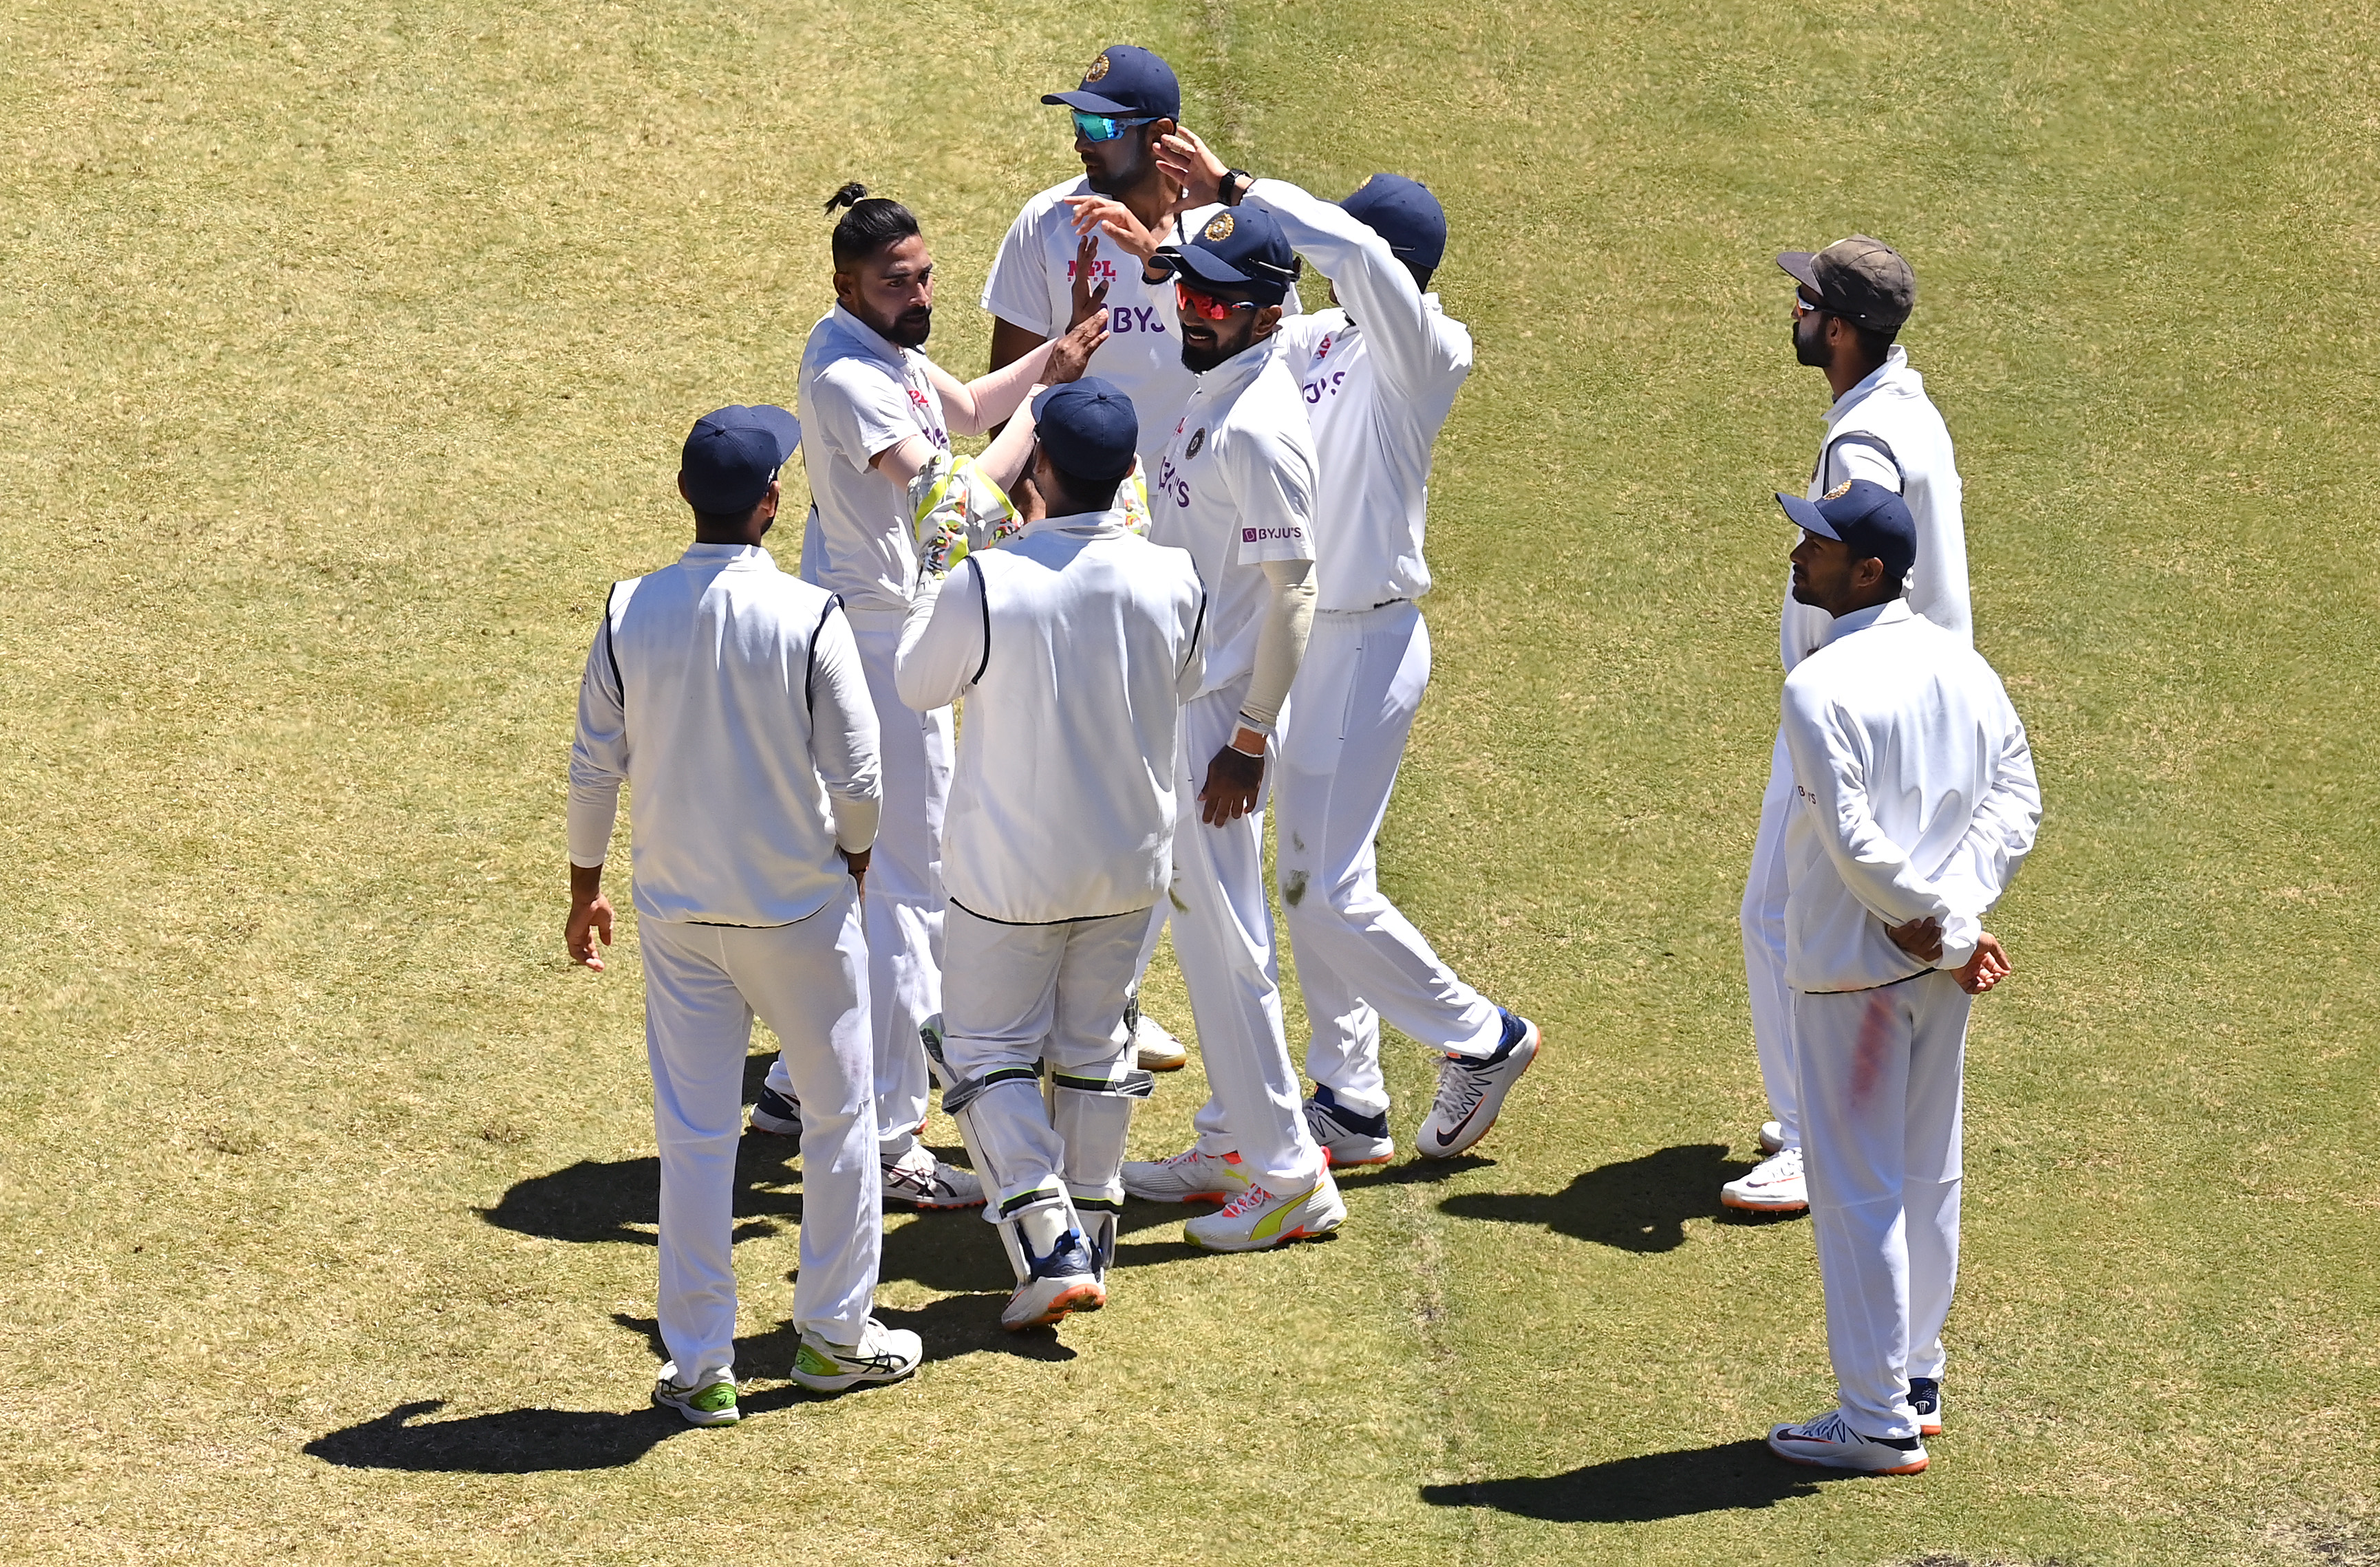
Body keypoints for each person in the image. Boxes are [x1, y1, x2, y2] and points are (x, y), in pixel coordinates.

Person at [1149, 133, 1541, 1168]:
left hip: (1368, 638)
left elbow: (1354, 256)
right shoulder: (1317, 336)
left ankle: (1482, 1036)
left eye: (1349, 242)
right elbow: (1240, 312)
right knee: (1306, 878)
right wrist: (1180, 230)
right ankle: (1351, 1097)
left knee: (1319, 889)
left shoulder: (1426, 350)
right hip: (1298, 631)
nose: (1327, 263)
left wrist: (1240, 187)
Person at [564, 404, 921, 1424]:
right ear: (772, 504)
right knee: (844, 1116)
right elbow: (859, 776)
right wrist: (854, 857)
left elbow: (596, 762)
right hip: (800, 913)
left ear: (686, 495)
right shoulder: (813, 616)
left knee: (693, 1134)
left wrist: (584, 884)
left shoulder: (630, 609)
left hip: (679, 920)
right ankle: (835, 1336)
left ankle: (700, 1365)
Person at [766, 184, 1108, 1209]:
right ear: (846, 285)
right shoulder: (848, 375)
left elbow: (965, 412)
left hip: (874, 632)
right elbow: (953, 503)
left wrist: (1051, 359)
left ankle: (793, 1082)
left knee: (865, 881)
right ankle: (892, 1133)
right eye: (895, 283)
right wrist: (1052, 402)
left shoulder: (889, 351)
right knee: (908, 892)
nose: (919, 296)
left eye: (923, 277)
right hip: (878, 649)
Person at [981, 43, 1296, 1074]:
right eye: (1080, 119)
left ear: (1163, 140)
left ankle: (1122, 1002)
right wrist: (1033, 520)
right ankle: (1110, 1002)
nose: (1084, 137)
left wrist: (1166, 244)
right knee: (1104, 767)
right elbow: (1013, 382)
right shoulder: (1045, 224)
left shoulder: (1223, 240)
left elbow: (1289, 337)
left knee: (1179, 792)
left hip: (1207, 535)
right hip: (1092, 528)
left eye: (1107, 125)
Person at [894, 378, 1206, 1329]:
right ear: (1124, 479)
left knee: (982, 1053)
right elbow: (1190, 681)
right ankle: (1093, 1234)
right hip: (1130, 866)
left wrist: (936, 565)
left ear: (1037, 469)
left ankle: (1053, 1242)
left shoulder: (989, 580)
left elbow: (915, 684)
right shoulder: (1177, 575)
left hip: (1009, 875)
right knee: (1095, 1049)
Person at [1758, 479, 2039, 1474]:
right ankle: (1916, 1376)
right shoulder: (1964, 666)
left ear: (1867, 570)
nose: (1798, 554)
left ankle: (1875, 1415)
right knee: (1929, 1175)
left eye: (1817, 545)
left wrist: (1944, 930)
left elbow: (1853, 845)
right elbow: (2018, 800)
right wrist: (1956, 919)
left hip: (1853, 979)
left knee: (1860, 1196)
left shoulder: (1817, 689)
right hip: (1930, 970)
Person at [1101, 204, 1344, 1251]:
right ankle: (1243, 1144)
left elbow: (1296, 593)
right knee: (1211, 940)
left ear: (1266, 315)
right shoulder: (1223, 385)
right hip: (1192, 700)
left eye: (1213, 300)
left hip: (1219, 720)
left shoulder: (1258, 422)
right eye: (1186, 290)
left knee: (1229, 948)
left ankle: (1291, 1176)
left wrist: (1248, 738)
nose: (1189, 310)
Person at [1726, 235, 1971, 1215]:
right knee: (1827, 918)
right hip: (1911, 697)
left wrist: (1822, 703)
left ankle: (1811, 1136)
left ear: (1839, 327)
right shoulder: (1904, 406)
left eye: (1807, 301)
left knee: (1791, 917)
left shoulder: (1861, 443)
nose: (1793, 311)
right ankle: (1822, 1121)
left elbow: (1844, 575)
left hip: (1853, 709)